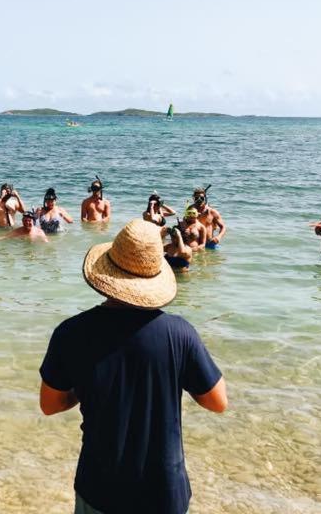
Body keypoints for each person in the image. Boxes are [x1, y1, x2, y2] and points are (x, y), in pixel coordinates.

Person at [39, 220, 227, 514]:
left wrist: (86, 385)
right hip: (164, 492)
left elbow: (50, 404)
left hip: (99, 487)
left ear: (107, 271)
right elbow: (217, 402)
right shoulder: (180, 333)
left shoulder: (71, 332)